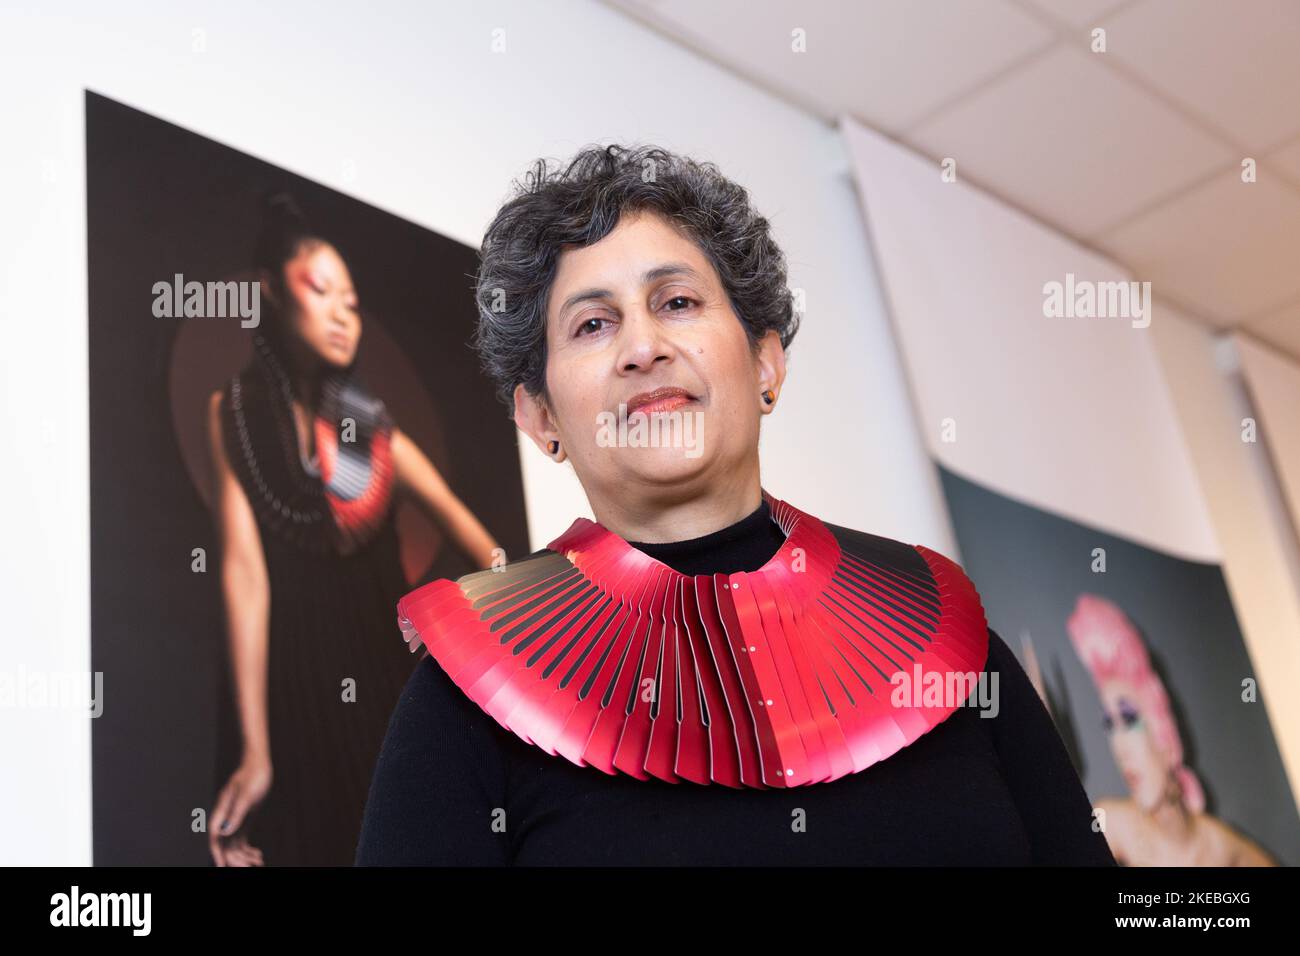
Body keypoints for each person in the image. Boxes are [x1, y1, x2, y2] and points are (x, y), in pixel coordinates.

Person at [354, 144, 1116, 865]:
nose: (643, 346)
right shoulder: (469, 693)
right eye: (593, 323)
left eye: (677, 301)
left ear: (766, 362)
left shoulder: (940, 633)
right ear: (539, 417)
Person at [207, 193, 500, 866]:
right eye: (321, 289)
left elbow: (490, 553)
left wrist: (467, 653)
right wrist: (255, 751)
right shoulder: (232, 415)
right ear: (270, 293)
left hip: (388, 688)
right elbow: (244, 575)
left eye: (353, 298)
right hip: (293, 692)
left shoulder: (378, 437)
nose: (344, 310)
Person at [1067, 593, 1276, 866]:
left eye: (1129, 721)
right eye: (1109, 726)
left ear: (1165, 741)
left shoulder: (1220, 846)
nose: (1119, 747)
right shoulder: (1111, 824)